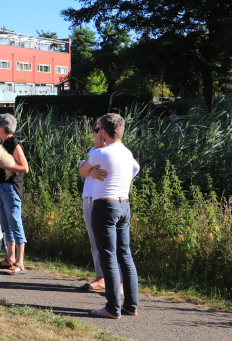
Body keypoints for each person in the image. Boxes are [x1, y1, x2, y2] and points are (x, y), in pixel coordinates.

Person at [80, 113, 140, 319]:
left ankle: (112, 307)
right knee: (125, 255)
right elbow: (136, 168)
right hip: (124, 204)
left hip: (105, 205)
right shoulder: (127, 152)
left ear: (103, 132)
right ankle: (131, 305)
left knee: (108, 257)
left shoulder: (100, 153)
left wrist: (97, 146)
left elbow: (83, 170)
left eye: (99, 130)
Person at [0, 113, 30, 275]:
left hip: (10, 189)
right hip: (0, 188)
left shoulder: (13, 143)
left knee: (15, 224)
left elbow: (24, 168)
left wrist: (3, 166)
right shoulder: (3, 143)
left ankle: (20, 263)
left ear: (3, 127)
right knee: (6, 225)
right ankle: (10, 258)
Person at [78, 135, 106, 291]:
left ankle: (115, 279)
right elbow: (84, 172)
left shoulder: (111, 152)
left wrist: (90, 171)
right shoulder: (93, 151)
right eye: (95, 131)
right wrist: (90, 171)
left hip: (103, 198)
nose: (96, 135)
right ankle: (100, 277)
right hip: (88, 196)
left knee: (108, 242)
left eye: (99, 131)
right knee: (94, 241)